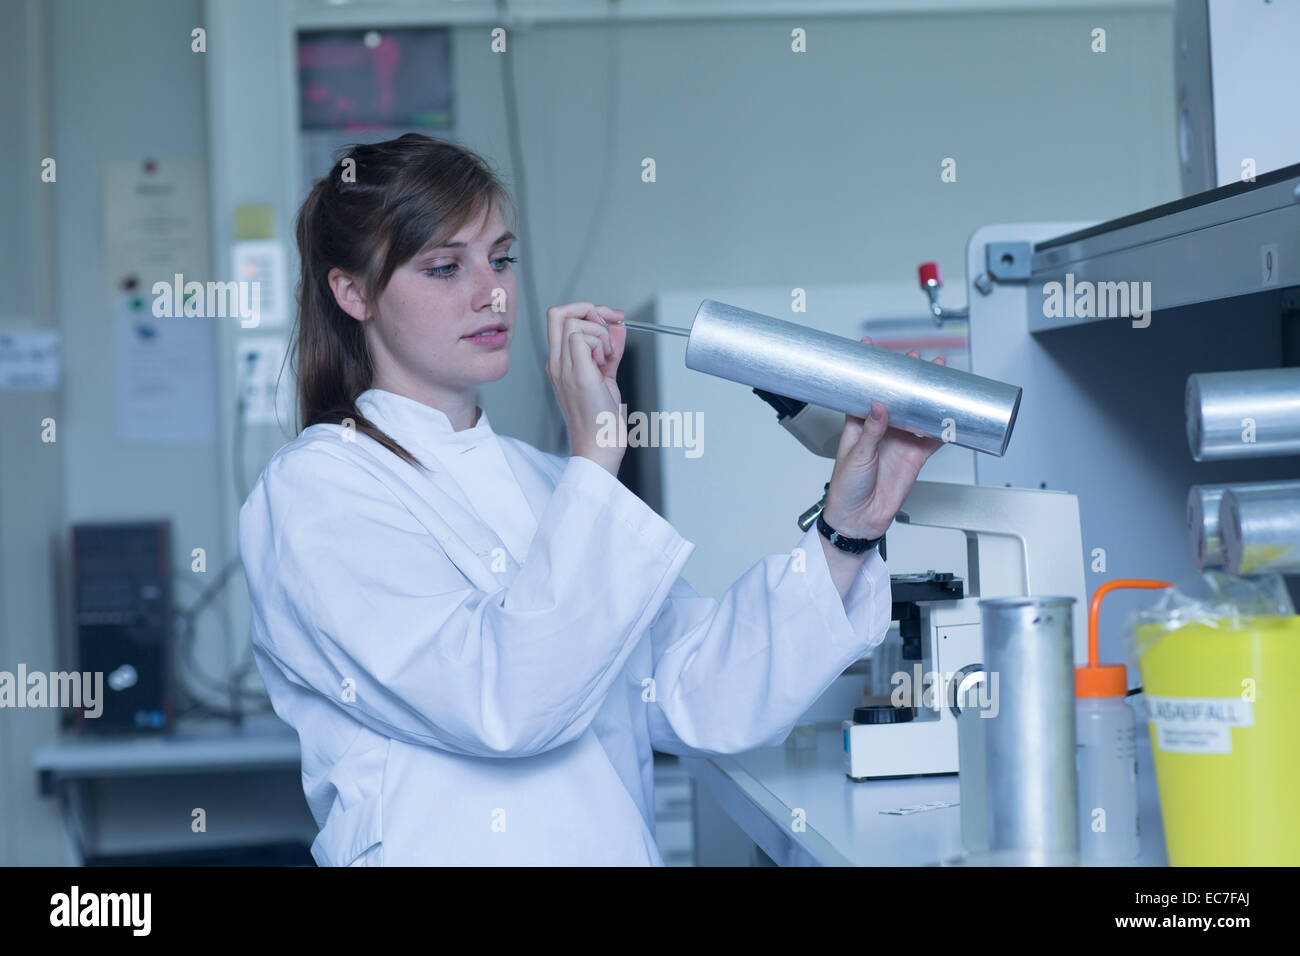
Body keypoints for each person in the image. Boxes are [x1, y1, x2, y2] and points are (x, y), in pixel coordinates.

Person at [238, 133, 946, 866]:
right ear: (352, 292)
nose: (492, 293)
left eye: (501, 259)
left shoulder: (554, 483)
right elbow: (504, 702)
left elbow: (697, 689)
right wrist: (598, 455)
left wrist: (846, 530)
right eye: (446, 267)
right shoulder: (316, 491)